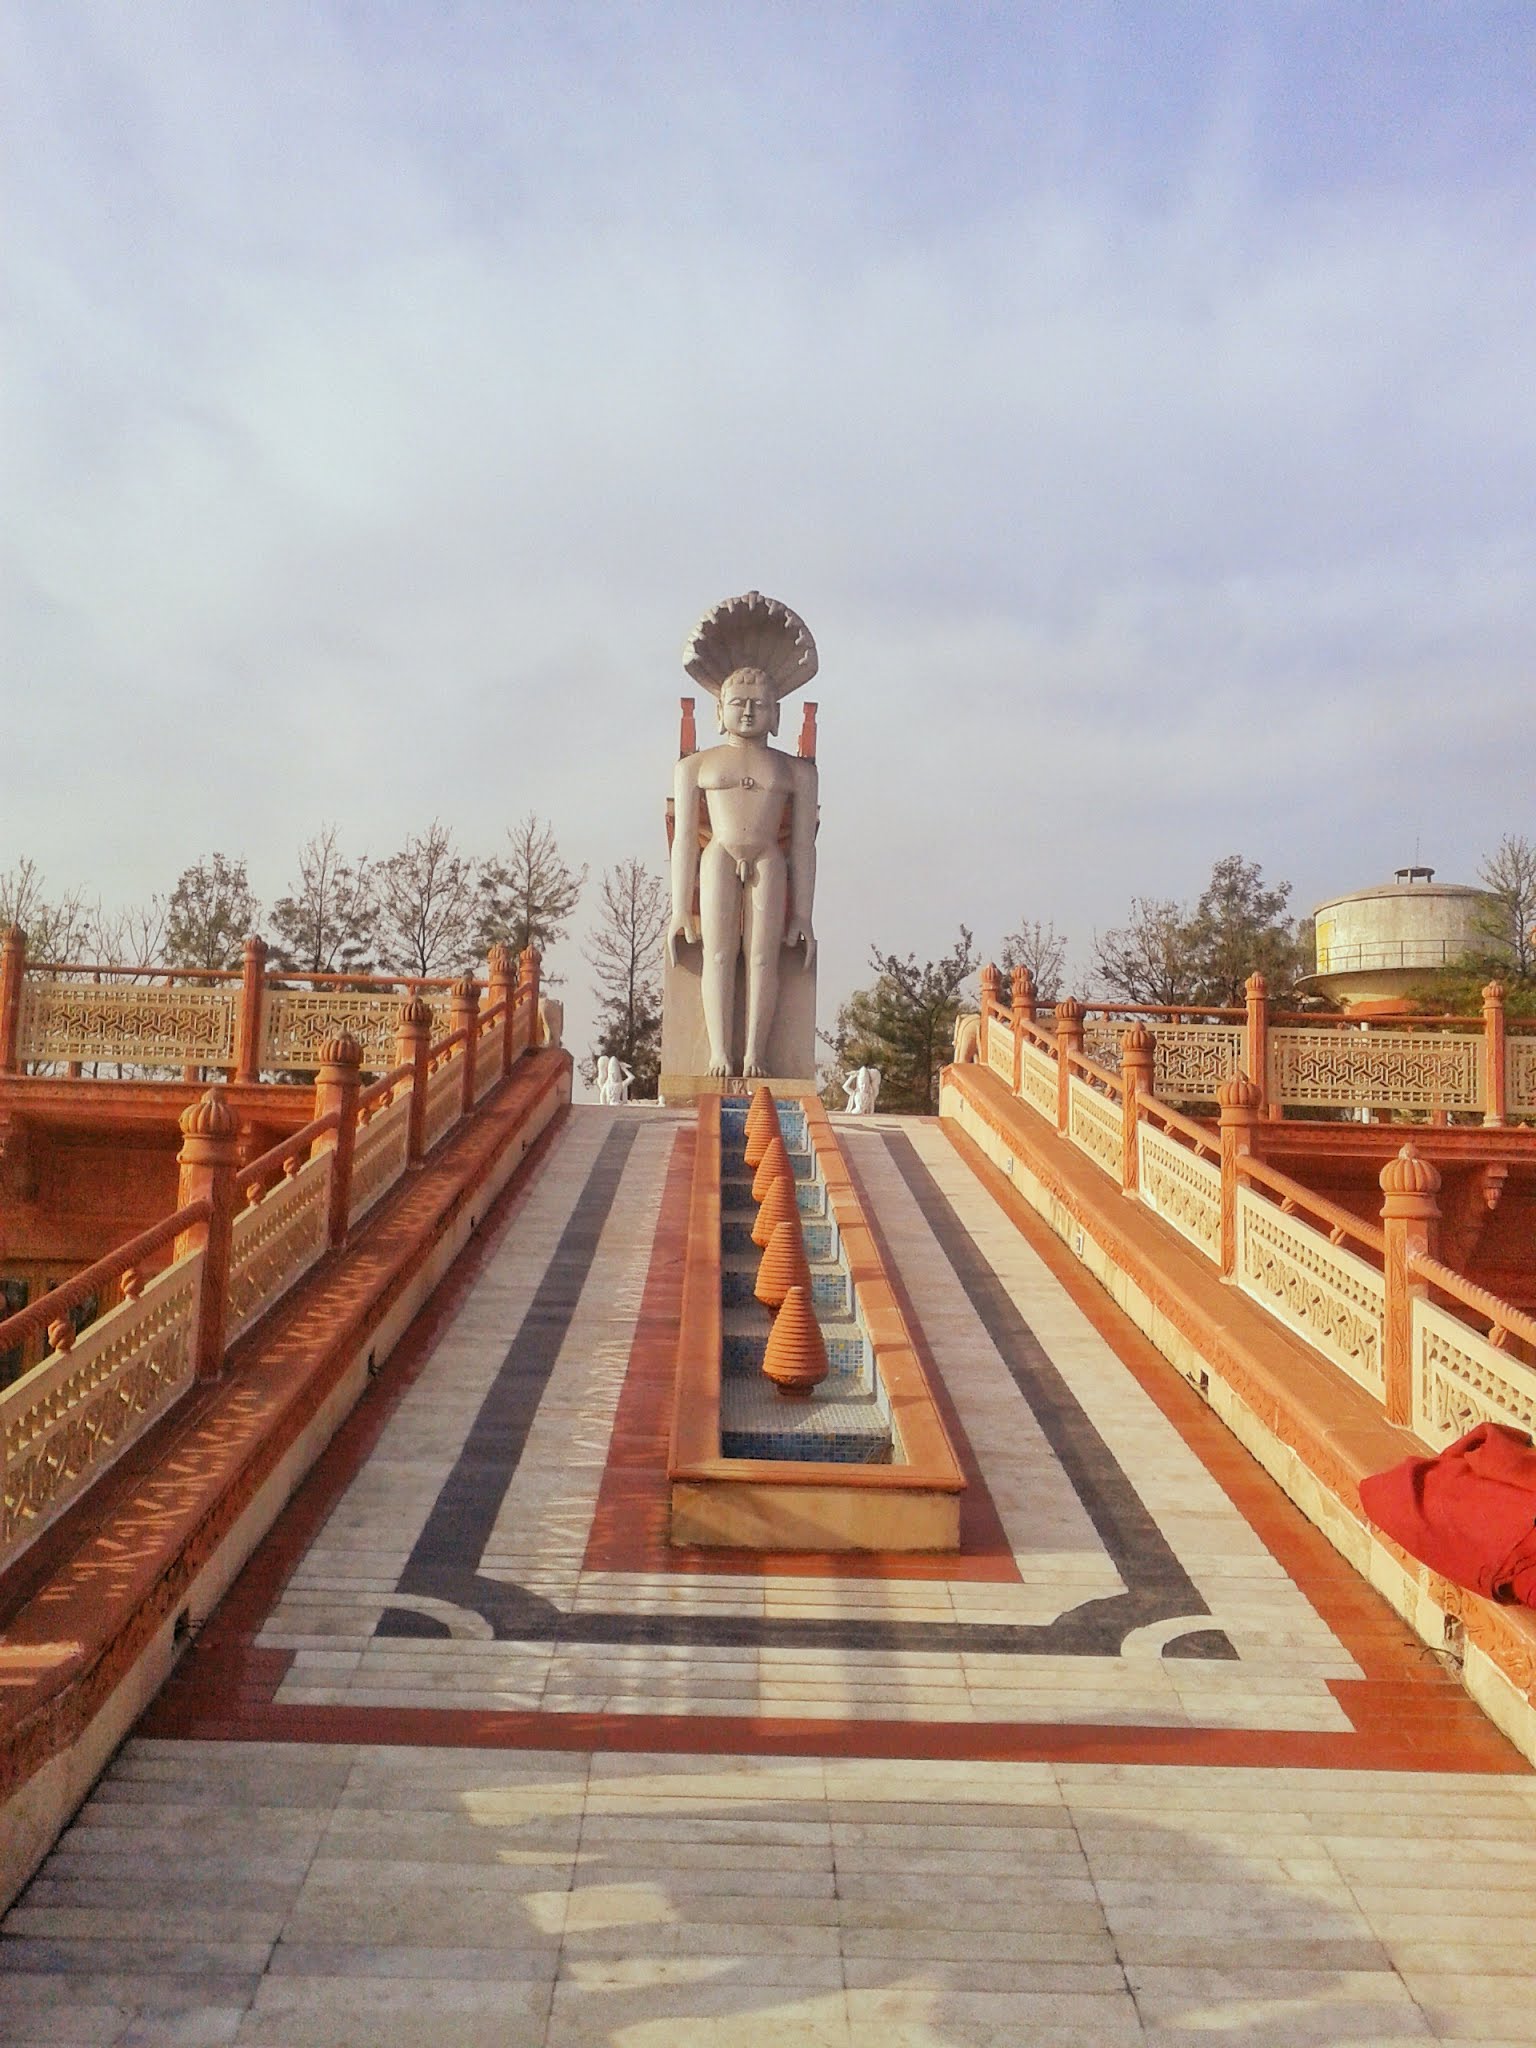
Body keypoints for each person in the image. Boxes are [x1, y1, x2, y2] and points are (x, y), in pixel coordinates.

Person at [667, 595, 818, 1078]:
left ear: (776, 714)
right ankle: (719, 1052)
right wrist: (676, 909)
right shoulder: (696, 767)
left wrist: (803, 916)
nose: (749, 712)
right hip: (718, 855)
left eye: (759, 705)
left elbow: (803, 846)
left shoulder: (794, 771)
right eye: (738, 703)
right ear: (719, 711)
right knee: (717, 952)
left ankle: (754, 1052)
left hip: (769, 859)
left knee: (761, 957)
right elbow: (684, 839)